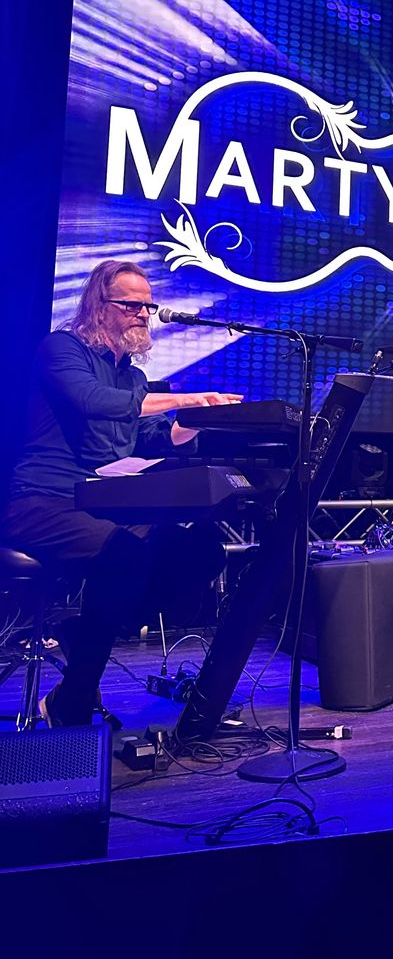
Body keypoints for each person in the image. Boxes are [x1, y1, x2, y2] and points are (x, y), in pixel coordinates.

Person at [0, 259, 242, 726]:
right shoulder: (62, 348)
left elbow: (150, 436)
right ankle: (73, 699)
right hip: (41, 501)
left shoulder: (132, 376)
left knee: (200, 549)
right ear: (99, 305)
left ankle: (82, 633)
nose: (143, 314)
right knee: (126, 555)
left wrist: (199, 419)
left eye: (147, 306)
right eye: (131, 305)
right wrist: (184, 399)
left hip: (102, 505)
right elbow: (92, 402)